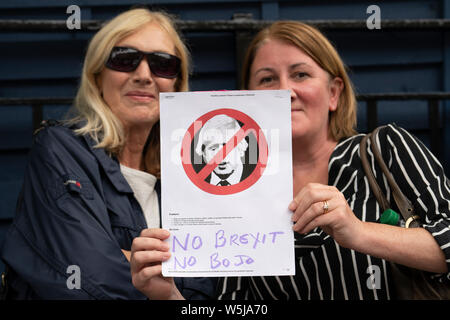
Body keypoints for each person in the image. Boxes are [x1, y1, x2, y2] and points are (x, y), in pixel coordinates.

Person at [130, 21, 450, 300]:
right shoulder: (233, 191)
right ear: (249, 98)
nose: (285, 91)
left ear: (334, 93)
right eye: (267, 79)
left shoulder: (384, 149)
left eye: (300, 74)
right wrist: (167, 294)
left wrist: (358, 232)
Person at [0, 8, 216, 299]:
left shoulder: (192, 176)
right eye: (125, 59)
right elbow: (91, 279)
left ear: (177, 83)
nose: (144, 75)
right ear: (97, 76)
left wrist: (129, 259)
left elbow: (208, 291)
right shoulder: (59, 150)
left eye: (162, 64)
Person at [194, 114, 250, 186]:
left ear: (241, 148)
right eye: (213, 148)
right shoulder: (197, 184)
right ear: (204, 153)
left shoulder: (256, 179)